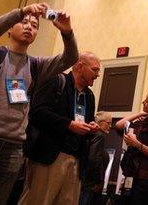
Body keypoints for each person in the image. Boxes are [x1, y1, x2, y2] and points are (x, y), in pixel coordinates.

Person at [0, 3, 78, 204]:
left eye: (34, 25)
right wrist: (21, 11)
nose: (29, 27)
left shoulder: (36, 65)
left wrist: (67, 32)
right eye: (24, 22)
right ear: (10, 28)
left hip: (13, 147)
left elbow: (70, 58)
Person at [18, 52, 101, 205]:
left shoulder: (89, 96)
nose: (97, 75)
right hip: (50, 157)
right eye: (95, 70)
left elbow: (85, 124)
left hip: (76, 161)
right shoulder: (56, 81)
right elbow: (37, 113)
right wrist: (69, 124)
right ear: (80, 67)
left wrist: (91, 128)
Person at [79, 111, 112, 205]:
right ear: (100, 122)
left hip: (85, 179)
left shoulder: (91, 134)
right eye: (108, 123)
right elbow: (94, 159)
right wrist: (97, 181)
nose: (110, 126)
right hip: (90, 182)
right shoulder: (99, 135)